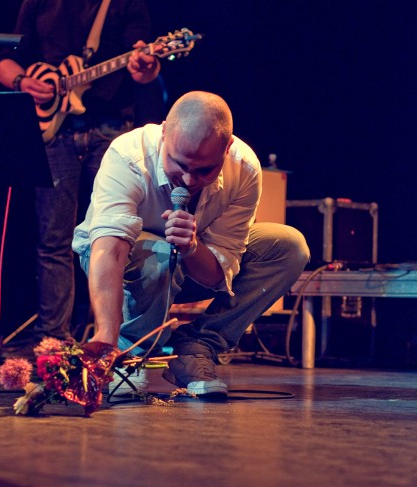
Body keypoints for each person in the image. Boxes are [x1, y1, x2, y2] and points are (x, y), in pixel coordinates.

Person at [72, 90, 310, 398]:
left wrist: (192, 248)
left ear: (227, 148)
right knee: (159, 253)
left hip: (186, 267)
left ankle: (197, 347)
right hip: (116, 263)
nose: (187, 180)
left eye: (203, 170)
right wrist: (106, 335)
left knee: (289, 247)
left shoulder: (244, 168)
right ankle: (128, 351)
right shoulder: (128, 155)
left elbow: (217, 276)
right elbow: (110, 249)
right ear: (164, 133)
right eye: (179, 164)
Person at [0, 0, 162, 348]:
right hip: (56, 133)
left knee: (116, 232)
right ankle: (52, 340)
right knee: (52, 239)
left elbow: (143, 68)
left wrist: (146, 67)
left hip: (111, 131)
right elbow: (4, 63)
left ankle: (115, 338)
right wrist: (24, 82)